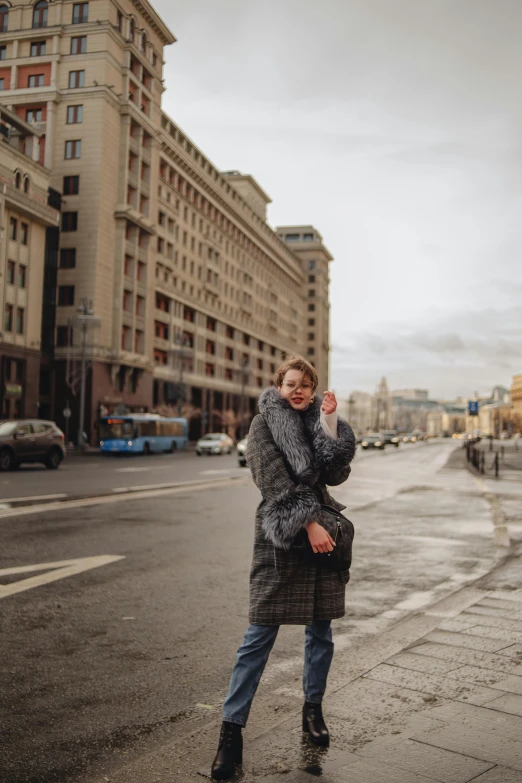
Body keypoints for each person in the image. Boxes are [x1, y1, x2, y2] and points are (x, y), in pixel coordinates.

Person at [211, 355, 356, 780]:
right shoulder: (262, 425)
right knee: (258, 637)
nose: (298, 391)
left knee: (321, 631)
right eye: (291, 383)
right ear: (278, 386)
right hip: (283, 535)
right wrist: (308, 522)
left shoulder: (316, 420)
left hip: (322, 533)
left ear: (313, 391)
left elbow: (336, 473)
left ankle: (312, 711)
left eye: (305, 386)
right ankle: (230, 734)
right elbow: (271, 480)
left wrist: (331, 423)